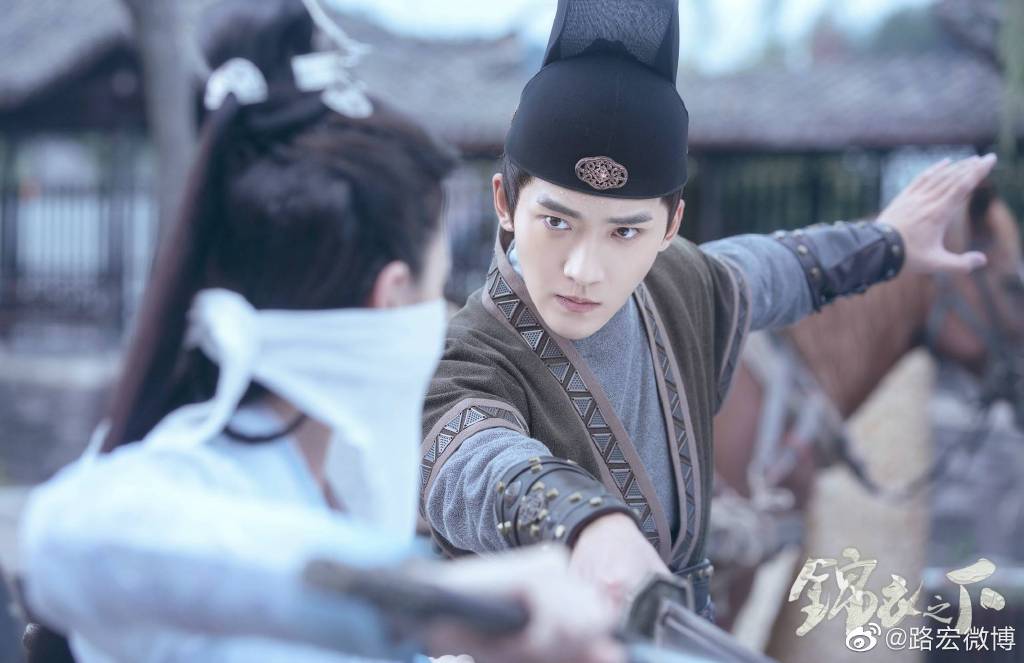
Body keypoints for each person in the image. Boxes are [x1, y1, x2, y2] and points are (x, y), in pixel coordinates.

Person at [17, 2, 621, 662]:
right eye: (436, 288)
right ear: (391, 298)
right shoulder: (187, 481)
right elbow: (64, 538)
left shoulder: (323, 480)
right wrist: (429, 601)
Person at [419, 0, 996, 622]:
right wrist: (584, 523)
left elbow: (780, 267)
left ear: (671, 227)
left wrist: (890, 241)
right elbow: (473, 462)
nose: (584, 269)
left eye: (625, 232)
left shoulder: (682, 285)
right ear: (505, 203)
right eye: (557, 221)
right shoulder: (467, 358)